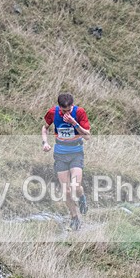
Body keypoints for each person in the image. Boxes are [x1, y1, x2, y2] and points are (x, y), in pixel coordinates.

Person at [42, 93, 91, 230]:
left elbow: (87, 136)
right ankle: (74, 218)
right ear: (59, 108)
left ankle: (82, 198)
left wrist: (74, 123)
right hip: (60, 154)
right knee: (67, 191)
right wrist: (44, 142)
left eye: (69, 110)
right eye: (64, 111)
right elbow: (44, 128)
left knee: (76, 187)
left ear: (72, 106)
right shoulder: (53, 112)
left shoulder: (79, 112)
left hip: (76, 153)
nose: (67, 113)